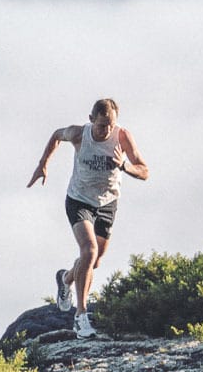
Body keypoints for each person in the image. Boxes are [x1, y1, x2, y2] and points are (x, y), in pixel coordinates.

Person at [27, 98, 150, 338]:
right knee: (89, 250)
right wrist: (43, 164)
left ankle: (66, 278)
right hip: (79, 200)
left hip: (107, 204)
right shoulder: (79, 135)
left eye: (111, 125)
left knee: (94, 261)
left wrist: (124, 166)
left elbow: (144, 171)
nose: (106, 130)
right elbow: (56, 135)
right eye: (102, 125)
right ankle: (81, 316)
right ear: (91, 119)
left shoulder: (122, 137)